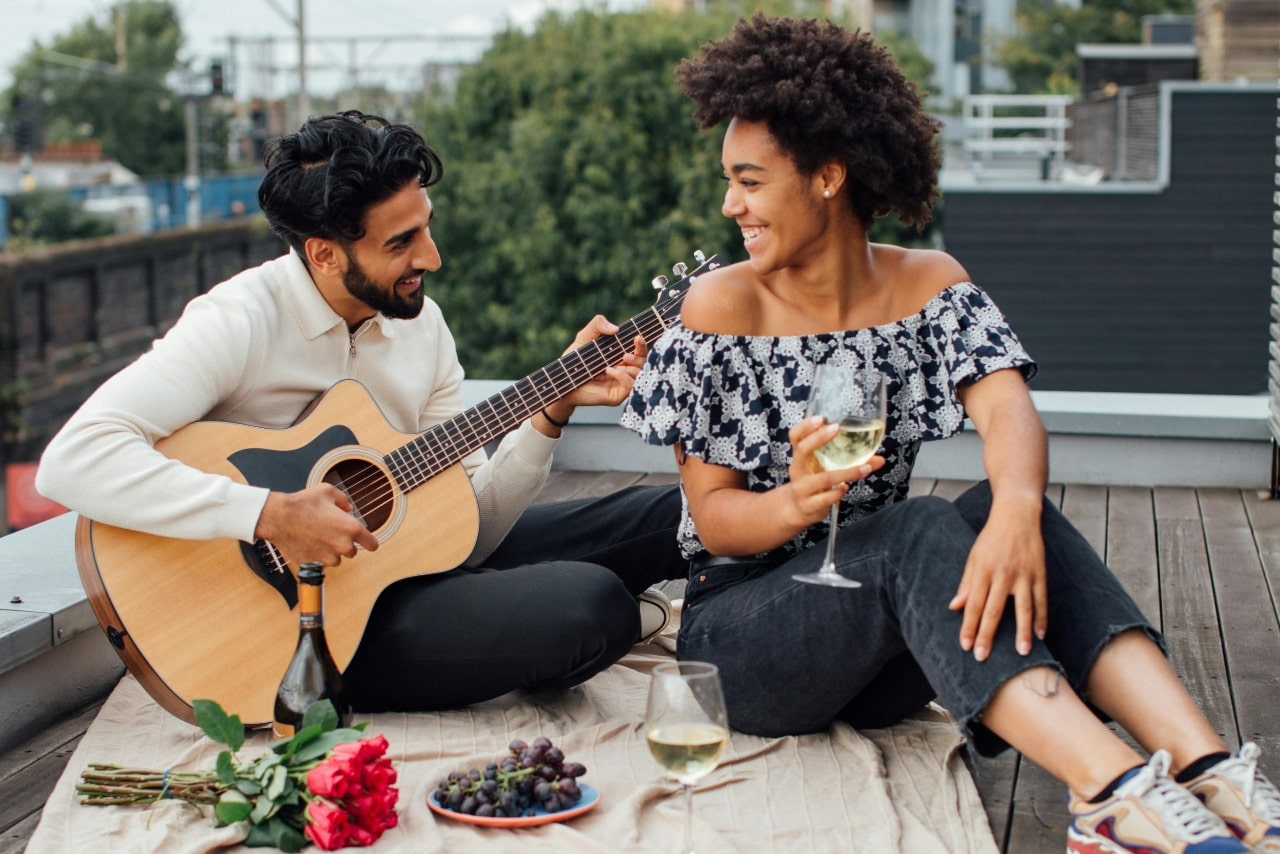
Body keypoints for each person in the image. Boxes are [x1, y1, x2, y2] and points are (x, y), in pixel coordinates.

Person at [622, 15, 1280, 854]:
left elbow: (1007, 410)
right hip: (747, 646)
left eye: (749, 181)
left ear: (828, 175)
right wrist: (792, 502)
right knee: (923, 525)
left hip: (891, 647)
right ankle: (1112, 792)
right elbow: (712, 520)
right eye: (730, 181)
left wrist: (1013, 510)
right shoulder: (720, 308)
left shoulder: (929, 285)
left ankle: (1212, 775)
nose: (729, 205)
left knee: (1016, 516)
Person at [37, 110, 683, 712]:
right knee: (592, 606)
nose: (431, 257)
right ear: (323, 252)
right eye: (402, 242)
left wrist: (552, 411)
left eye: (426, 226)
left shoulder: (423, 328)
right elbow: (72, 460)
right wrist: (269, 515)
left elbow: (471, 531)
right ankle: (611, 612)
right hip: (312, 632)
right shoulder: (238, 323)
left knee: (670, 513)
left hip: (410, 568)